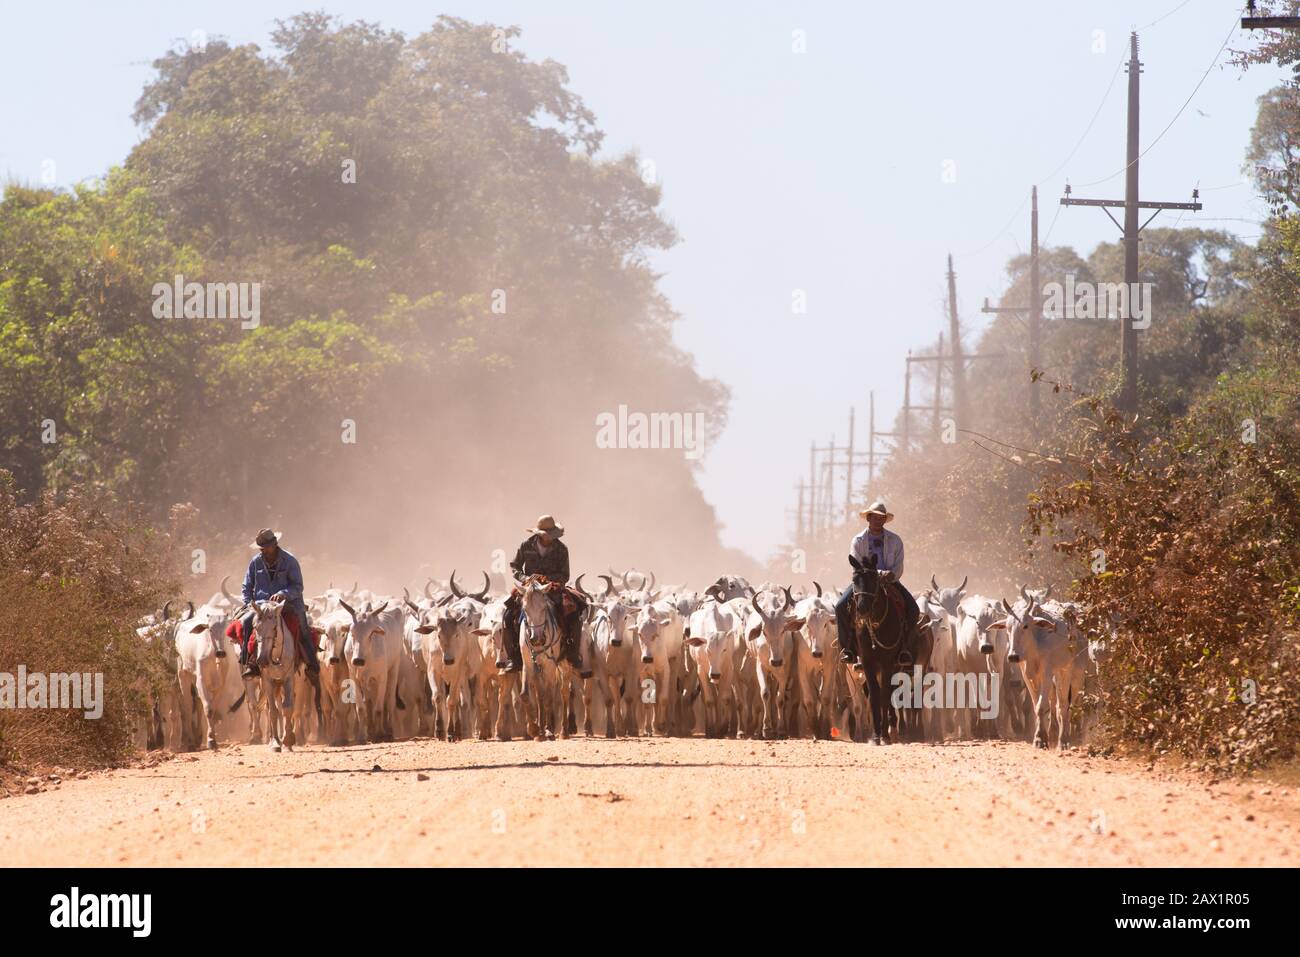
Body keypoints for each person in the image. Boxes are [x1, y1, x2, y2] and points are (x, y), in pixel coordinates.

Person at [835, 500, 921, 665]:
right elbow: (857, 564)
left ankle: (904, 649)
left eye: (881, 518)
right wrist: (879, 573)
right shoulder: (858, 540)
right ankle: (848, 649)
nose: (878, 520)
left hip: (889, 582)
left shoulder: (895, 540)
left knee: (913, 609)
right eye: (875, 517)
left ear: (884, 520)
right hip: (865, 582)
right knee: (840, 607)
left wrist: (891, 575)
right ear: (868, 518)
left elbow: (899, 565)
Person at [501, 514, 586, 673]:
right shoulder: (526, 545)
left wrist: (546, 579)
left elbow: (564, 575)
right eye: (546, 536)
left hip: (552, 589)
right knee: (507, 615)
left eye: (551, 536)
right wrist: (525, 578)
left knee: (574, 614)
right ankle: (514, 658)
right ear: (539, 534)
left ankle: (572, 653)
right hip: (529, 590)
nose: (549, 539)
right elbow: (515, 566)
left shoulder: (561, 549)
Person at [237, 529, 320, 681]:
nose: (264, 550)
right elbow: (246, 586)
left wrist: (283, 594)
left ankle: (312, 664)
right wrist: (249, 603)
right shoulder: (255, 562)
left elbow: (298, 586)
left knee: (303, 626)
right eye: (261, 548)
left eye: (266, 547)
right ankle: (250, 662)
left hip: (288, 604)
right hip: (262, 606)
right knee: (246, 622)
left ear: (275, 544)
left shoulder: (290, 561)